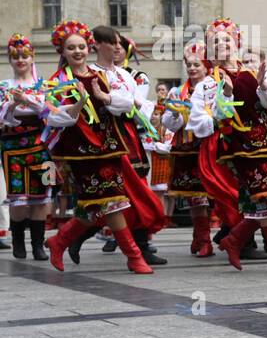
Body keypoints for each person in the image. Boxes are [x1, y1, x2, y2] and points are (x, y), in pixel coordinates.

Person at [42, 21, 166, 273]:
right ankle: (134, 256)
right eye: (71, 48)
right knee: (112, 201)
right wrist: (78, 105)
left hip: (109, 146)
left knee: (98, 204)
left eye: (81, 46)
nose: (77, 51)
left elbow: (126, 103)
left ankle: (60, 241)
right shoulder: (58, 80)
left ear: (89, 47)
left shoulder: (100, 76)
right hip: (81, 151)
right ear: (62, 52)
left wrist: (103, 97)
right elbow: (52, 117)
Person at [187, 19, 267, 273]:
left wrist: (265, 85)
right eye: (215, 41)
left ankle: (234, 241)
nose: (222, 44)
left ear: (236, 44)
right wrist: (225, 95)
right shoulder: (206, 85)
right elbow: (203, 123)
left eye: (227, 39)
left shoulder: (251, 72)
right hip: (241, 149)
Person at [159, 41, 218, 256]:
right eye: (189, 65)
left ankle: (214, 236)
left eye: (197, 65)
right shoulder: (178, 91)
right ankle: (202, 239)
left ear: (206, 67)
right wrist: (174, 112)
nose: (192, 68)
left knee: (212, 193)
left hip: (209, 147)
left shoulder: (213, 87)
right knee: (195, 196)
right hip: (185, 147)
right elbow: (169, 123)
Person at [1, 34, 53, 259]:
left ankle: (38, 245)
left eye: (25, 55)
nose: (20, 60)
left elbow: (50, 112)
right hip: (12, 145)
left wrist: (29, 102)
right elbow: (3, 117)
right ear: (10, 60)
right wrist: (14, 104)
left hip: (42, 143)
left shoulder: (42, 84)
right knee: (18, 196)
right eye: (16, 56)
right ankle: (19, 242)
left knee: (42, 193)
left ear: (33, 57)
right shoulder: (4, 86)